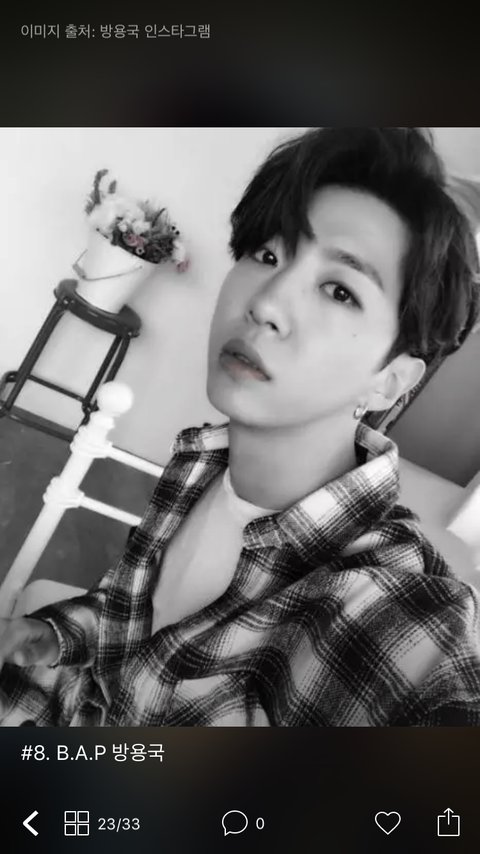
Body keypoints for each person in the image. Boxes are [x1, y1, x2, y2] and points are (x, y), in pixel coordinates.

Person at [1, 127, 480, 726]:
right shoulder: (200, 462)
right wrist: (56, 634)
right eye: (268, 255)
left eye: (339, 290)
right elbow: (131, 615)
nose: (266, 303)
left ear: (389, 381)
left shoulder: (395, 605)